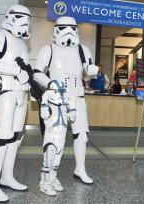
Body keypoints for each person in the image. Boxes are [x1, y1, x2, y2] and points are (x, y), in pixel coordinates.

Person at [34, 16, 99, 185]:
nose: (68, 31)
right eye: (64, 28)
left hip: (78, 98)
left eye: (72, 28)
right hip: (57, 99)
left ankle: (80, 169)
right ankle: (48, 174)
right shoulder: (48, 50)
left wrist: (92, 71)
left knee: (82, 134)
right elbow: (36, 72)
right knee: (54, 138)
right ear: (56, 29)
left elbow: (87, 71)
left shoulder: (83, 50)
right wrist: (50, 83)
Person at [0, 5, 31, 203]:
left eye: (27, 18)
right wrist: (16, 71)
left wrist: (28, 79)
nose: (24, 21)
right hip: (6, 89)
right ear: (9, 17)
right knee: (3, 137)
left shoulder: (23, 43)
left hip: (22, 92)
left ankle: (7, 176)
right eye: (20, 17)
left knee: (15, 137)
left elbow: (27, 69)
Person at [39, 80, 76, 196]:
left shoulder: (64, 103)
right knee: (48, 160)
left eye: (61, 91)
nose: (60, 93)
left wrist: (72, 103)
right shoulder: (48, 101)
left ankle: (52, 179)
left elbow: (72, 118)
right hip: (51, 137)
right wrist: (45, 99)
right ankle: (44, 183)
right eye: (56, 91)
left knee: (56, 161)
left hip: (61, 136)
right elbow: (44, 115)